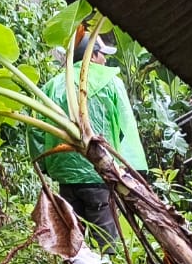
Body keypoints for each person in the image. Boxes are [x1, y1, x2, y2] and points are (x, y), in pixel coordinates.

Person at [35, 30, 148, 242]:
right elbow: (127, 126)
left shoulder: (53, 85)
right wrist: (132, 168)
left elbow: (35, 130)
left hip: (65, 176)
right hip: (99, 175)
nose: (105, 59)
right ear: (92, 56)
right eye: (102, 54)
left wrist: (45, 164)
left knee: (73, 238)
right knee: (106, 240)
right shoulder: (111, 82)